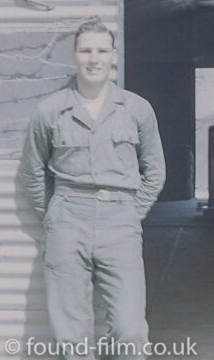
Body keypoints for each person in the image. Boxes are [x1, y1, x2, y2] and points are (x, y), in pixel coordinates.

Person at [17, 19, 166, 359]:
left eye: (102, 50)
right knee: (72, 337)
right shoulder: (50, 111)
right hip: (68, 221)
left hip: (120, 223)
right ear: (74, 56)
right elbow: (32, 172)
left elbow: (155, 171)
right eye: (86, 50)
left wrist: (131, 212)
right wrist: (54, 215)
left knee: (130, 331)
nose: (93, 58)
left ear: (114, 56)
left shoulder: (137, 109)